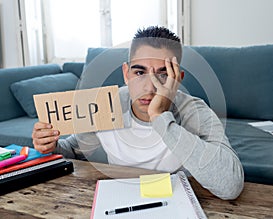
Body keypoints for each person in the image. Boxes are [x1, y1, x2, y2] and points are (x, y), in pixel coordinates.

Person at [32, 26, 244, 200]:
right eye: (139, 72)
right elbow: (72, 150)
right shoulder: (106, 104)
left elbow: (230, 185)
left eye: (163, 75)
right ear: (126, 73)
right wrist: (52, 146)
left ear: (177, 79)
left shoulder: (194, 111)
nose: (149, 88)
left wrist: (160, 117)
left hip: (175, 202)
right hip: (120, 198)